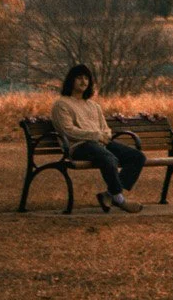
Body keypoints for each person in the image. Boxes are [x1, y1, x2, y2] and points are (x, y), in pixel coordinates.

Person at [50, 64, 145, 213]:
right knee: (109, 159)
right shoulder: (62, 104)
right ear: (71, 81)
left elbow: (105, 128)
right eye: (79, 77)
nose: (83, 81)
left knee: (137, 157)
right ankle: (119, 199)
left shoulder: (94, 106)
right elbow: (67, 131)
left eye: (86, 78)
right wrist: (96, 135)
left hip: (100, 144)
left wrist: (105, 135)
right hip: (79, 147)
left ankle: (109, 194)